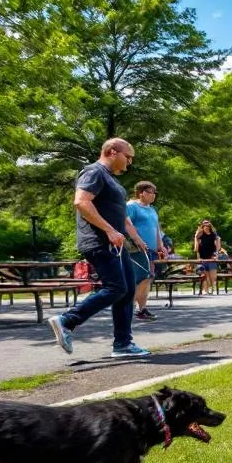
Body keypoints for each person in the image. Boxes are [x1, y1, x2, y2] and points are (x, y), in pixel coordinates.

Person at [47, 137, 151, 358]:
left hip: (117, 243)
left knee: (127, 291)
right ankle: (67, 320)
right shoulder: (94, 172)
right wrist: (109, 231)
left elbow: (122, 218)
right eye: (127, 156)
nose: (129, 162)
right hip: (100, 241)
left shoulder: (112, 181)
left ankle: (123, 344)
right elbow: (81, 202)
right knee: (116, 288)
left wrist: (136, 239)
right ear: (113, 152)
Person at [125, 181, 162, 322]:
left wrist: (161, 245)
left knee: (147, 279)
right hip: (136, 248)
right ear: (141, 193)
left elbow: (156, 229)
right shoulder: (132, 206)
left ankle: (141, 309)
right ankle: (127, 307)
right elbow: (126, 225)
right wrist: (137, 241)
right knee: (144, 276)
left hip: (150, 250)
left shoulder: (152, 209)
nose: (154, 195)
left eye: (155, 193)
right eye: (151, 192)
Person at [193, 220, 222, 295]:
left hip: (212, 257)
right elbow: (196, 249)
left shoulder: (214, 235)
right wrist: (196, 236)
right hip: (202, 258)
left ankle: (214, 289)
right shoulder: (199, 236)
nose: (206, 227)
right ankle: (205, 290)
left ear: (210, 226)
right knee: (204, 276)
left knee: (213, 276)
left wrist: (216, 255)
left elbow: (218, 247)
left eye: (208, 225)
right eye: (204, 225)